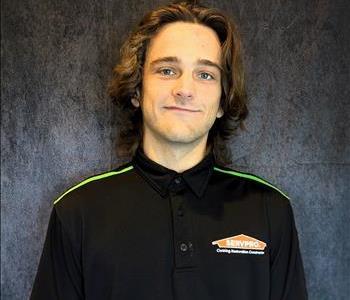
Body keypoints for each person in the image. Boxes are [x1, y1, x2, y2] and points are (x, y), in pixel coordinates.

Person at [30, 1, 308, 299]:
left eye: (205, 75)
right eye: (166, 70)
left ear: (222, 101)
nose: (185, 89)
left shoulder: (270, 211)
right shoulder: (76, 213)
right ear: (137, 89)